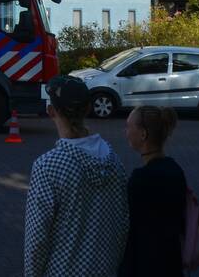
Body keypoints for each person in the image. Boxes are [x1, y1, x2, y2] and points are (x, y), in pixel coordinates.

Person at [24, 76, 128, 277]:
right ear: (88, 109)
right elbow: (123, 224)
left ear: (51, 111)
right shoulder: (114, 161)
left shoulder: (48, 166)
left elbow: (37, 238)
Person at [119, 106, 186, 277]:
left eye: (129, 126)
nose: (125, 131)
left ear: (143, 134)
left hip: (144, 263)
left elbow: (129, 225)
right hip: (171, 260)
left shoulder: (141, 178)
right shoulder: (175, 169)